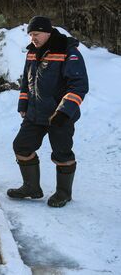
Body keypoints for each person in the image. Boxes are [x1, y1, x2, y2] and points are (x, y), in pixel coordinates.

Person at [8, 16, 89, 208]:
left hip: (59, 116)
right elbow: (26, 83)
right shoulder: (32, 52)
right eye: (30, 35)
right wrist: (23, 105)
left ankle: (63, 193)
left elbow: (78, 86)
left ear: (47, 32)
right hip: (35, 114)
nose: (32, 38)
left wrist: (63, 112)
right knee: (21, 146)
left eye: (36, 34)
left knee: (62, 153)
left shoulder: (68, 52)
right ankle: (31, 187)